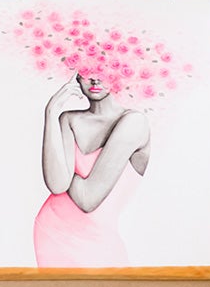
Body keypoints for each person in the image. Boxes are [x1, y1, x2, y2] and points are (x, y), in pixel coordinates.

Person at [32, 69, 152, 267]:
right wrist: (51, 112)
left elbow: (88, 199)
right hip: (51, 233)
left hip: (99, 240)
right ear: (76, 75)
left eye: (105, 70)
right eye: (87, 70)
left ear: (120, 69)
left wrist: (67, 169)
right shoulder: (68, 119)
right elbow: (56, 185)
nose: (96, 78)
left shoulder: (134, 122)